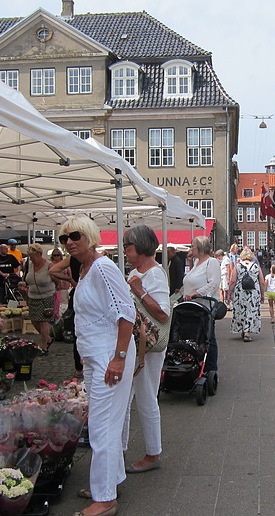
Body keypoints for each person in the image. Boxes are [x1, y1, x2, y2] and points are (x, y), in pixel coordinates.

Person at [62, 216, 136, 516]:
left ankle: (105, 499)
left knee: (102, 427)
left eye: (74, 235)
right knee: (106, 424)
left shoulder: (104, 267)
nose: (68, 242)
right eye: (64, 238)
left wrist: (119, 357)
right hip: (96, 356)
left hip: (109, 355)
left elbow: (126, 313)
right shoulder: (84, 269)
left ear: (90, 236)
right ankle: (110, 481)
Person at [122, 225, 170, 475]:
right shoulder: (138, 271)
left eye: (127, 247)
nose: (125, 251)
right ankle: (120, 448)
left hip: (148, 347)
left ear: (139, 247)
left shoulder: (153, 274)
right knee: (130, 395)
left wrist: (138, 289)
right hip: (137, 345)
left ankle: (153, 453)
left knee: (146, 396)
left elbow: (163, 312)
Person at [182, 236, 221, 370]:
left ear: (200, 247)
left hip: (204, 306)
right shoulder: (197, 263)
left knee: (208, 337)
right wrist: (190, 262)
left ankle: (211, 368)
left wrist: (196, 293)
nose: (191, 249)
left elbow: (213, 284)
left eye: (193, 246)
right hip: (191, 306)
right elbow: (192, 279)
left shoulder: (212, 262)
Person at [20, 243, 56, 352]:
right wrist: (24, 284)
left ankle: (43, 346)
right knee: (34, 321)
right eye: (29, 256)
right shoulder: (30, 264)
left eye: (32, 256)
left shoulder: (49, 266)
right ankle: (48, 338)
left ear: (39, 254)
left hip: (46, 297)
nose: (31, 258)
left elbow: (57, 280)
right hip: (32, 297)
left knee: (44, 321)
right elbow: (28, 278)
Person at [229, 247, 265, 341]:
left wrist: (229, 293)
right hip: (253, 292)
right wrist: (262, 295)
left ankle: (242, 330)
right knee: (251, 310)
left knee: (241, 310)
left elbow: (233, 281)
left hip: (240, 291)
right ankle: (247, 333)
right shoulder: (256, 266)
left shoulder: (238, 266)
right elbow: (262, 281)